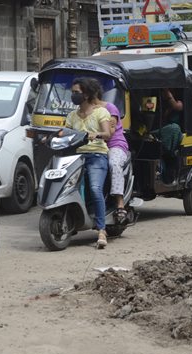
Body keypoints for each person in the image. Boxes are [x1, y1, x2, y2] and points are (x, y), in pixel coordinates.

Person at [64, 78, 113, 249]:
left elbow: (107, 134)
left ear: (86, 94)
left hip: (96, 155)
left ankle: (101, 229)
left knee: (94, 188)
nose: (73, 95)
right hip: (76, 157)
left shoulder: (100, 113)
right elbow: (65, 132)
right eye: (73, 92)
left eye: (76, 92)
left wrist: (96, 134)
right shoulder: (71, 116)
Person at [93, 86, 130, 224]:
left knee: (113, 163)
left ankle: (120, 203)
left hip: (114, 145)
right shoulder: (83, 111)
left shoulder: (110, 108)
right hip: (94, 146)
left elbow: (110, 132)